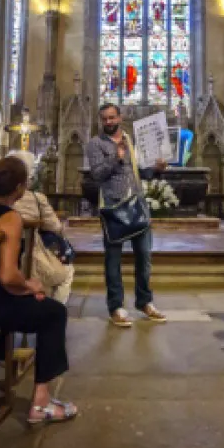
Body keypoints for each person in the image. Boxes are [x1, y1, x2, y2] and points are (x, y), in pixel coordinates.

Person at [0, 157, 77, 425]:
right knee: (54, 313)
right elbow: (8, 276)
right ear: (21, 188)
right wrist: (30, 285)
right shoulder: (9, 217)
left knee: (9, 309)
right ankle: (42, 404)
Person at [84, 103, 169, 327]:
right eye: (104, 119)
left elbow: (139, 170)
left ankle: (145, 302)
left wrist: (156, 169)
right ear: (101, 121)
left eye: (112, 117)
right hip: (113, 208)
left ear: (120, 118)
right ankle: (116, 307)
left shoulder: (131, 140)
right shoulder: (95, 144)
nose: (109, 122)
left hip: (137, 205)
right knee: (113, 259)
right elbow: (97, 174)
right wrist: (117, 157)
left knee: (144, 256)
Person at [7, 149, 74, 304]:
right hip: (29, 262)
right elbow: (56, 227)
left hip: (0, 262)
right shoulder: (36, 198)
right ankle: (55, 309)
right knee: (66, 271)